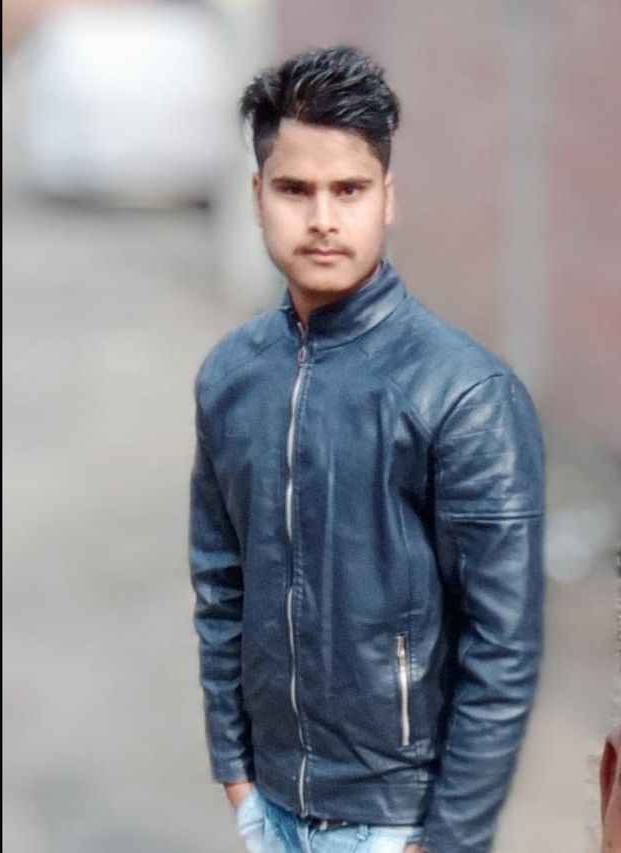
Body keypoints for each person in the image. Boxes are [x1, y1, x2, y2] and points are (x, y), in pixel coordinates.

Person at [188, 44, 545, 853]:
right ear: (257, 196)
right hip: (271, 808)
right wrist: (236, 773)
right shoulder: (231, 375)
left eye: (348, 189)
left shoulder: (465, 392)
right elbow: (221, 585)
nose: (322, 218)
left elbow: (503, 645)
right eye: (295, 189)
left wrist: (447, 840)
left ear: (388, 198)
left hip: (396, 820)